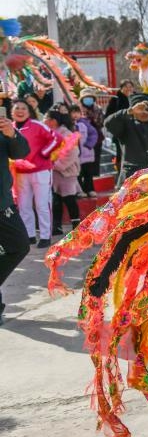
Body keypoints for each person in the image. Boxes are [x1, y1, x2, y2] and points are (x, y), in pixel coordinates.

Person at [10, 100, 58, 247]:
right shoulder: (9, 128)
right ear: (12, 112)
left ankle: (45, 236)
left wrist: (44, 154)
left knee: (42, 204)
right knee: (24, 206)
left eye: (23, 108)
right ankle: (29, 235)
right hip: (20, 172)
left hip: (41, 171)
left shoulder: (37, 125)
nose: (20, 111)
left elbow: (56, 138)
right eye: (17, 108)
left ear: (29, 111)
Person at [0, 106, 31, 323]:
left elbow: (21, 152)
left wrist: (12, 134)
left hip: (2, 203)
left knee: (20, 245)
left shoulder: (3, 129)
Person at [44, 110, 81, 237]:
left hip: (66, 172)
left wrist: (56, 165)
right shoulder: (48, 133)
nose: (43, 120)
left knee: (69, 199)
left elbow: (73, 153)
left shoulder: (67, 134)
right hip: (54, 172)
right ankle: (56, 226)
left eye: (45, 118)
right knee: (56, 199)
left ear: (53, 121)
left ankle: (77, 225)